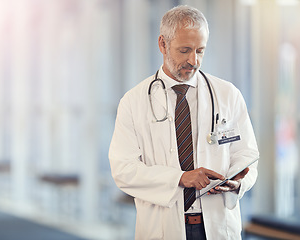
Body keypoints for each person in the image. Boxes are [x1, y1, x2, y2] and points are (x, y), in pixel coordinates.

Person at [108, 5, 259, 240]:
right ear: (162, 44)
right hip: (162, 227)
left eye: (200, 50)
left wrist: (237, 182)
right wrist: (179, 178)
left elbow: (248, 155)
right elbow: (123, 170)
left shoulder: (228, 95)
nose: (194, 60)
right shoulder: (133, 101)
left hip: (218, 225)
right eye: (185, 50)